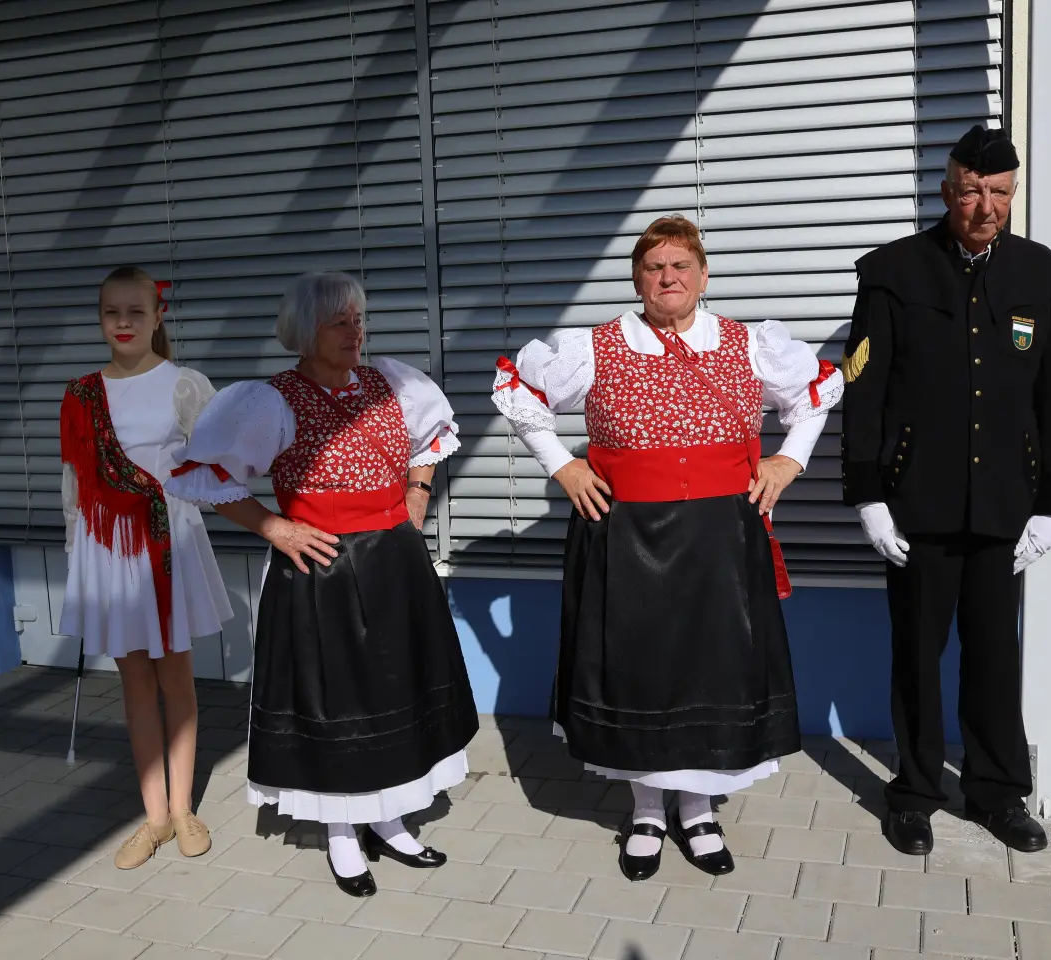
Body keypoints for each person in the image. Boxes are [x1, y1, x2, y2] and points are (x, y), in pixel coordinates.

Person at [491, 215, 842, 881]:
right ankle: (648, 810)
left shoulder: (746, 343)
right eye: (654, 268)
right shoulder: (598, 346)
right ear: (638, 280)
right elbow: (521, 394)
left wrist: (788, 461)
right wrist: (561, 466)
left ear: (703, 276)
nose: (668, 277)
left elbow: (818, 392)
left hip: (719, 535)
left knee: (712, 669)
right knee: (641, 672)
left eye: (681, 265)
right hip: (628, 535)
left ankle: (700, 809)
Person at [166, 271, 479, 898]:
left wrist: (416, 495)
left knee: (394, 687)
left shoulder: (392, 384)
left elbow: (431, 438)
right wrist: (276, 528)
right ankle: (342, 833)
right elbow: (204, 475)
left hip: (394, 564)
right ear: (305, 332)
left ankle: (389, 817)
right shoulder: (271, 400)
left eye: (358, 320)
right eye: (339, 322)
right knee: (337, 699)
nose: (354, 333)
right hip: (322, 570)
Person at [841, 125, 1051, 856]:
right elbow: (866, 392)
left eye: (1000, 192)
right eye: (972, 190)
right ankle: (914, 794)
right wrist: (868, 494)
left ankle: (997, 793)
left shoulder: (1043, 277)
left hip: (1007, 504)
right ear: (948, 191)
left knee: (994, 656)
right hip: (917, 503)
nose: (986, 205)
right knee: (916, 655)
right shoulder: (892, 272)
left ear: (1013, 195)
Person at [59, 266, 234, 869]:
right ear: (101, 318)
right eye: (112, 313)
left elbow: (220, 464)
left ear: (158, 316)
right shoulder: (83, 393)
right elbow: (75, 480)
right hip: (109, 549)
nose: (124, 323)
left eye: (135, 311)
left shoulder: (184, 385)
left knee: (174, 677)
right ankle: (153, 817)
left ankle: (184, 808)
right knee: (133, 679)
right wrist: (77, 549)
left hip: (169, 545)